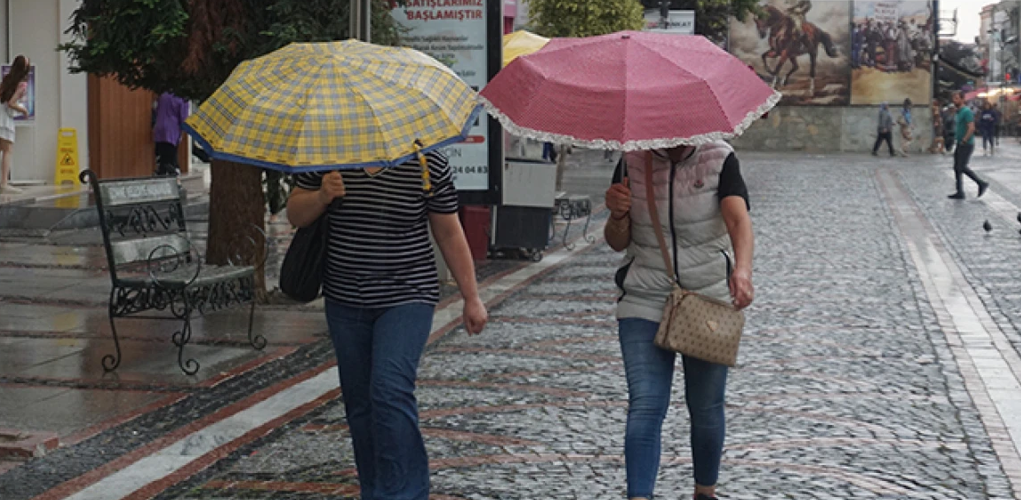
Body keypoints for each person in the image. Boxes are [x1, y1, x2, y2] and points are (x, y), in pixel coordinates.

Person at [286, 152, 489, 500]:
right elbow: (295, 214)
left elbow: (449, 231)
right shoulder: (327, 154)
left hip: (408, 296)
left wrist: (472, 296)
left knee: (389, 389)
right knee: (361, 403)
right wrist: (322, 195)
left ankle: (407, 493)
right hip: (346, 299)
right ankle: (376, 490)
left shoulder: (427, 162)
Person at [604, 142, 754, 500]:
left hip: (707, 299)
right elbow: (615, 242)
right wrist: (618, 215)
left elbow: (737, 219)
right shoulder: (631, 163)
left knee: (705, 407)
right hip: (645, 297)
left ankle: (705, 492)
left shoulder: (719, 159)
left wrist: (743, 270)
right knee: (646, 403)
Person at [948, 90, 989, 200]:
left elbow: (971, 127)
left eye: (956, 98)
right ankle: (959, 191)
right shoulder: (958, 112)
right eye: (953, 98)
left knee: (961, 167)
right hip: (960, 142)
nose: (954, 100)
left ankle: (981, 183)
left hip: (966, 144)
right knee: (957, 168)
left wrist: (965, 139)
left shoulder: (966, 111)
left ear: (962, 99)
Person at [0, 55, 30, 194]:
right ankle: (4, 183)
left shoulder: (6, 79)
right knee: (7, 150)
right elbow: (12, 103)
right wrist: (23, 110)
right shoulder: (22, 84)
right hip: (6, 119)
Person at [152, 93, 189, 177]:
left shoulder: (163, 96)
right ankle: (171, 174)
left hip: (159, 126)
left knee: (162, 153)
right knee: (171, 155)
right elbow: (184, 118)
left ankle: (161, 172)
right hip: (172, 128)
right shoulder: (182, 99)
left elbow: (157, 110)